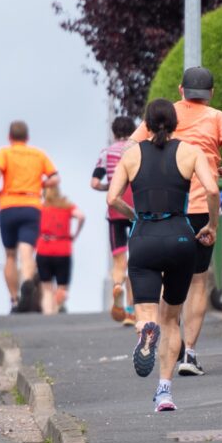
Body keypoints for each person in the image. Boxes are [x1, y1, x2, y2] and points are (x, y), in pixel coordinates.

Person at [129, 67, 222, 376]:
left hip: (166, 209)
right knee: (197, 279)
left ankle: (169, 337)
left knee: (163, 277)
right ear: (211, 93)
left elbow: (132, 148)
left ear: (181, 89)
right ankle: (190, 354)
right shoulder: (217, 118)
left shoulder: (164, 116)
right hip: (201, 210)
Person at [108, 98, 219, 411]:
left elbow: (111, 197)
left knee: (146, 312)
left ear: (146, 124)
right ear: (175, 123)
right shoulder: (189, 151)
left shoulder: (131, 155)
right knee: (172, 318)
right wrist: (210, 224)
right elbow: (211, 190)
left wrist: (134, 215)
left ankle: (145, 332)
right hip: (180, 238)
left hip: (144, 237)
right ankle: (165, 391)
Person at [0, 121, 59, 313]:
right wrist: (41, 185)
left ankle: (14, 299)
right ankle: (27, 281)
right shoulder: (38, 154)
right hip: (32, 205)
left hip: (8, 206)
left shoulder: (5, 153)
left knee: (10, 255)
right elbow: (55, 177)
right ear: (27, 138)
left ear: (10, 137)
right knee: (27, 251)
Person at [90, 116, 137, 326]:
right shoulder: (138, 149)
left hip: (115, 209)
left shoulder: (106, 153)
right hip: (135, 208)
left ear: (113, 132)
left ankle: (117, 284)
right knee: (136, 260)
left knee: (120, 260)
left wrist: (108, 188)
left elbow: (94, 183)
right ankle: (130, 308)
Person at [35, 186, 85, 315]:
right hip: (63, 249)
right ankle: (56, 308)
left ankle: (48, 312)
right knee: (62, 286)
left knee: (46, 287)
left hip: (44, 249)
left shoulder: (41, 207)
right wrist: (75, 234)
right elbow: (81, 216)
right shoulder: (67, 206)